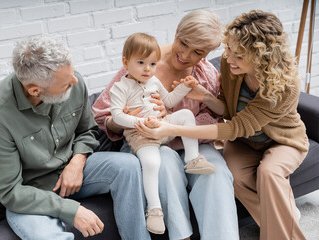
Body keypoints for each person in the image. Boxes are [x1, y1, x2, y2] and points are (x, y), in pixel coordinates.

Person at [136, 10, 309, 240]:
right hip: (245, 143)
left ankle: (282, 232)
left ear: (261, 57)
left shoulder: (285, 86)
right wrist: (206, 96)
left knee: (269, 172)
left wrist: (172, 128)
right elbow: (229, 109)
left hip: (281, 141)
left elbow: (235, 126)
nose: (228, 58)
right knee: (233, 176)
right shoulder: (231, 67)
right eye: (229, 49)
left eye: (239, 55)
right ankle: (284, 217)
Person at [0, 36, 151, 240]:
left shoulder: (73, 81)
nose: (75, 82)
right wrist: (71, 210)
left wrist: (77, 162)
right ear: (35, 91)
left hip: (75, 172)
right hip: (31, 193)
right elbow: (9, 192)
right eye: (66, 85)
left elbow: (88, 130)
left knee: (128, 166)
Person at [93, 10, 239, 240]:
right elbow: (103, 115)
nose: (185, 55)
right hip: (152, 142)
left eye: (198, 52)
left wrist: (173, 120)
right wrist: (130, 119)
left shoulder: (205, 74)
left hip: (193, 142)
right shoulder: (144, 61)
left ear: (208, 54)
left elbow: (214, 119)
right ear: (176, 33)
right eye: (184, 43)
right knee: (165, 168)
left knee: (216, 173)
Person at [110, 32, 216, 234]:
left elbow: (168, 102)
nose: (147, 69)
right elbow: (117, 117)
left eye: (152, 64)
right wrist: (139, 121)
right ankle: (155, 210)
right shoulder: (119, 88)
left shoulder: (154, 81)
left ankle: (193, 159)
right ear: (126, 62)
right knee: (152, 163)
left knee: (185, 114)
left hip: (163, 125)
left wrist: (185, 87)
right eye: (141, 63)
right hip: (141, 134)